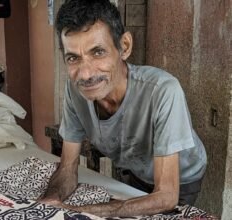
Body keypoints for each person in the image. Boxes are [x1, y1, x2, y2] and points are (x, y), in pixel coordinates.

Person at [40, 0, 207, 217]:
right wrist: (49, 201)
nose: (86, 74)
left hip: (182, 179)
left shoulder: (163, 91)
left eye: (98, 52)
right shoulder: (75, 91)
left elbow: (166, 196)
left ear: (124, 47)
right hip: (136, 170)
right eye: (73, 58)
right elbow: (67, 168)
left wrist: (83, 212)